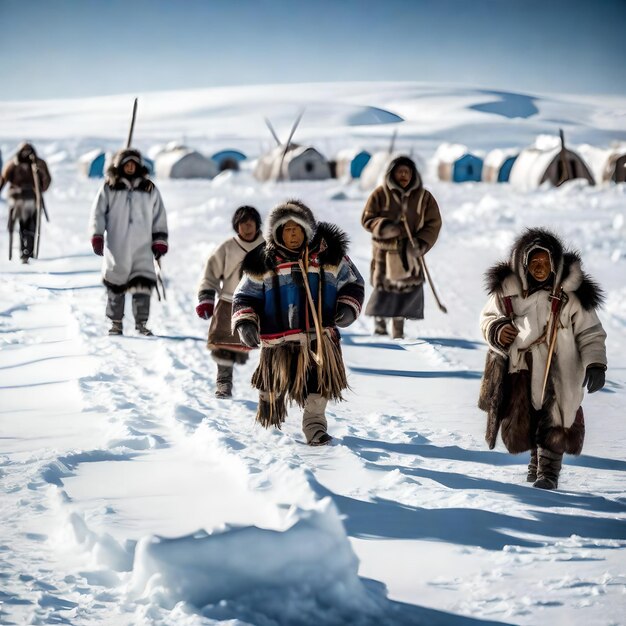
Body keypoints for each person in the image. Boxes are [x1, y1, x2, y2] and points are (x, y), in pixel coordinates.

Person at [479, 228, 607, 490]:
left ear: (554, 264)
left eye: (545, 262)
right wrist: (498, 329)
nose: (539, 267)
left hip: (562, 369)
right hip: (522, 367)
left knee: (556, 415)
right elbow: (487, 318)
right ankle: (536, 462)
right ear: (523, 264)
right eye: (534, 262)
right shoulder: (508, 291)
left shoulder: (570, 294)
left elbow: (590, 330)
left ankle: (548, 473)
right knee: (529, 417)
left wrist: (595, 363)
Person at [232, 199, 364, 445]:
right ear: (277, 233)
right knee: (273, 387)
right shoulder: (264, 260)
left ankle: (315, 427)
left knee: (318, 384)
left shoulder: (329, 254)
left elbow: (353, 282)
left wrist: (347, 306)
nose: (292, 235)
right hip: (278, 340)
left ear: (307, 230)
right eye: (287, 230)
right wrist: (245, 322)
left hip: (319, 338)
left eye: (297, 229)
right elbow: (244, 295)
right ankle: (269, 425)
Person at [88, 148, 168, 336]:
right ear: (120, 166)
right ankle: (116, 323)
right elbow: (97, 213)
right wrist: (97, 235)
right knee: (116, 283)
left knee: (143, 285)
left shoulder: (149, 188)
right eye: (127, 163)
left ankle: (141, 323)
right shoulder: (110, 187)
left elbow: (159, 215)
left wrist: (159, 239)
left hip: (142, 246)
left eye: (134, 163)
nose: (130, 167)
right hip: (117, 246)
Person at [361, 155, 442, 339]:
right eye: (400, 171)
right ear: (392, 173)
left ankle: (398, 330)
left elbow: (433, 223)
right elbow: (367, 218)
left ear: (413, 174)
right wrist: (384, 227)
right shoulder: (380, 194)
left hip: (409, 252)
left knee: (405, 290)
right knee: (383, 289)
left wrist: (421, 243)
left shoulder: (424, 197)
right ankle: (380, 327)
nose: (404, 175)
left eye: (407, 171)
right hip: (384, 251)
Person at [196, 205, 264, 398]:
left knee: (269, 346)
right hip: (229, 302)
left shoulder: (267, 248)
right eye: (243, 222)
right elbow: (211, 272)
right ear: (236, 226)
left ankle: (267, 387)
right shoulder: (227, 247)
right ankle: (224, 384)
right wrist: (207, 297)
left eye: (251, 221)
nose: (248, 226)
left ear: (258, 224)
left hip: (259, 305)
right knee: (224, 346)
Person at [0, 142, 52, 263]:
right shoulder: (12, 164)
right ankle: (26, 250)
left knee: (28, 225)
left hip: (31, 198)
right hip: (19, 199)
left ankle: (27, 250)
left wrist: (40, 174)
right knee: (26, 225)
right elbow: (3, 178)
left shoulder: (38, 164)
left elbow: (45, 183)